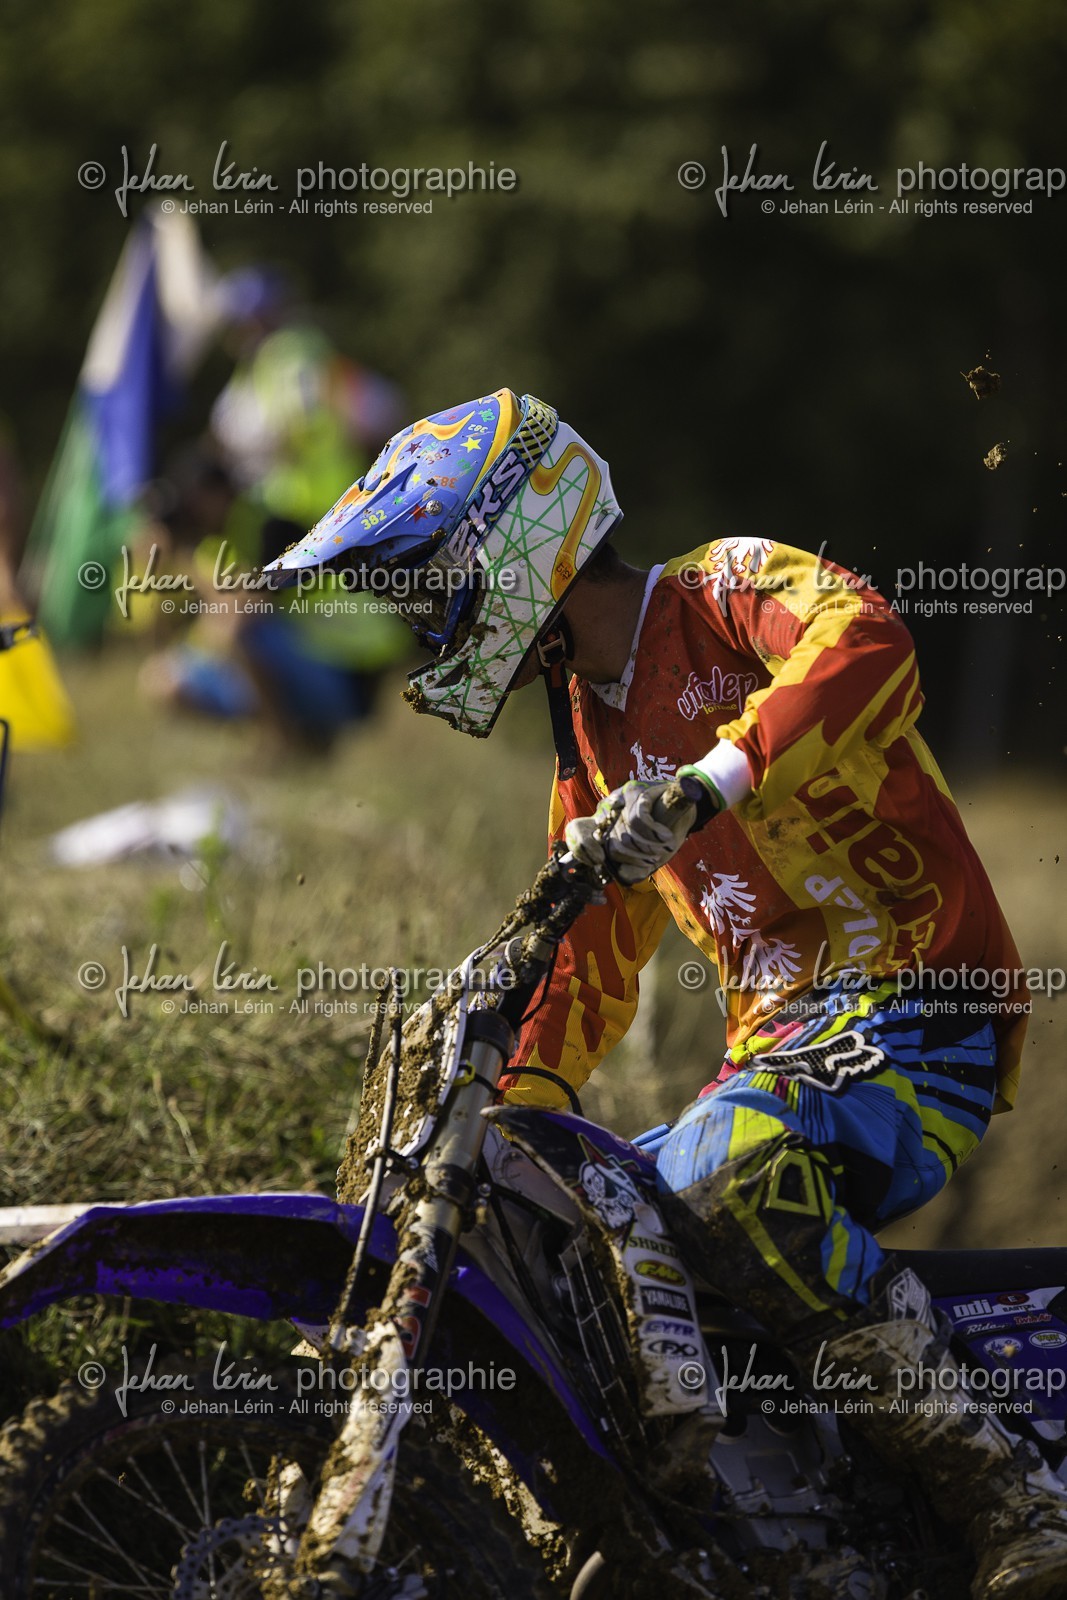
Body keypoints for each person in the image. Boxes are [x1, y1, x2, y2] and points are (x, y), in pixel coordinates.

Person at [264, 389, 1066, 1600]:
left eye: (432, 588)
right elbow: (581, 956)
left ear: (519, 548)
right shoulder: (584, 742)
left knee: (711, 1167)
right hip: (782, 1051)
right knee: (586, 1235)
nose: (424, 625)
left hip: (919, 1008)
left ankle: (1007, 1488)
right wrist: (506, 1116)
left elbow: (868, 637)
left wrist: (708, 778)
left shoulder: (716, 591)